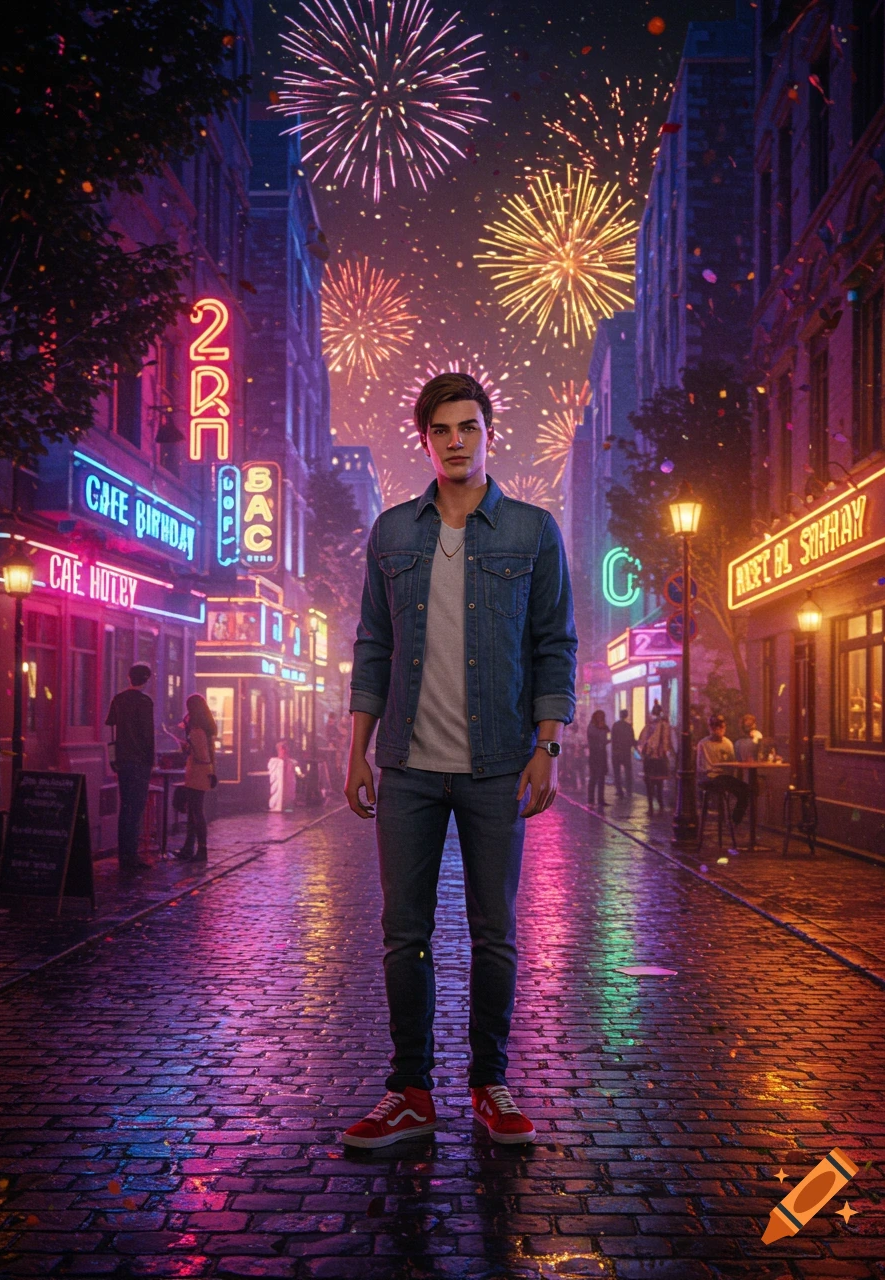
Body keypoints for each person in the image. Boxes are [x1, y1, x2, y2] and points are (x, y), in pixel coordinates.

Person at [342, 371, 577, 1150]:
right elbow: (373, 645)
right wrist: (358, 751)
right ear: (426, 439)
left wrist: (546, 746)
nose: (455, 441)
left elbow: (553, 645)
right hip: (407, 764)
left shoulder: (532, 532)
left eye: (468, 427)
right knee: (402, 929)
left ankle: (488, 1082)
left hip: (498, 765)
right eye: (441, 429)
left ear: (488, 432)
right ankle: (410, 1089)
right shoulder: (391, 533)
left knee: (494, 932)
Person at [106, 663, 155, 871]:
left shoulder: (118, 700)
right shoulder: (145, 702)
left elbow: (111, 731)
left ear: (129, 678)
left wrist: (113, 758)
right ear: (146, 680)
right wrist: (150, 760)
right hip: (139, 762)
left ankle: (123, 855)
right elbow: (147, 735)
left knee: (125, 807)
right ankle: (131, 856)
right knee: (136, 808)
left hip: (123, 760)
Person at [173, 694, 216, 862]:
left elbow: (201, 755)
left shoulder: (197, 731)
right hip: (205, 772)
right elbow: (209, 754)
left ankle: (200, 850)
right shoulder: (206, 727)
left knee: (196, 812)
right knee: (193, 811)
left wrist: (187, 746)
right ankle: (189, 847)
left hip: (197, 773)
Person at [695, 714, 748, 828]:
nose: (717, 729)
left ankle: (735, 820)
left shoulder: (727, 743)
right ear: (709, 728)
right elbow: (702, 767)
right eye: (714, 726)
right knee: (738, 788)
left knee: (746, 791)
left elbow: (732, 763)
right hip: (710, 777)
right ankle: (731, 821)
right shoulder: (703, 744)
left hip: (724, 776)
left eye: (720, 726)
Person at [639, 702, 672, 814]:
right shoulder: (665, 726)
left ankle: (651, 806)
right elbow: (667, 742)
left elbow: (643, 741)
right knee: (659, 783)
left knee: (649, 783)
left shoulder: (649, 726)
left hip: (650, 758)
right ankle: (660, 804)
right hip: (660, 758)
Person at [610, 708, 635, 799]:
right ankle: (629, 790)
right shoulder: (629, 726)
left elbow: (613, 739)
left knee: (617, 772)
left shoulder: (615, 725)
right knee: (628, 772)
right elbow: (632, 740)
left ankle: (619, 790)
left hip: (616, 753)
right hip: (626, 752)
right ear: (626, 715)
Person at [587, 709, 609, 807]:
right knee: (593, 778)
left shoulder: (604, 727)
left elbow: (608, 737)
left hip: (602, 755)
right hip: (594, 755)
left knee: (601, 778)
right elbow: (595, 737)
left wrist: (604, 729)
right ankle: (591, 800)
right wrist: (601, 729)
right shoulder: (591, 727)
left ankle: (601, 799)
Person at [268, 739, 297, 812]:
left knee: (289, 793)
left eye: (285, 749)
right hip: (279, 784)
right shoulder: (274, 762)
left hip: (288, 783)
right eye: (282, 749)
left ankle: (288, 807)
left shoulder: (291, 762)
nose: (284, 751)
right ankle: (277, 806)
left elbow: (296, 771)